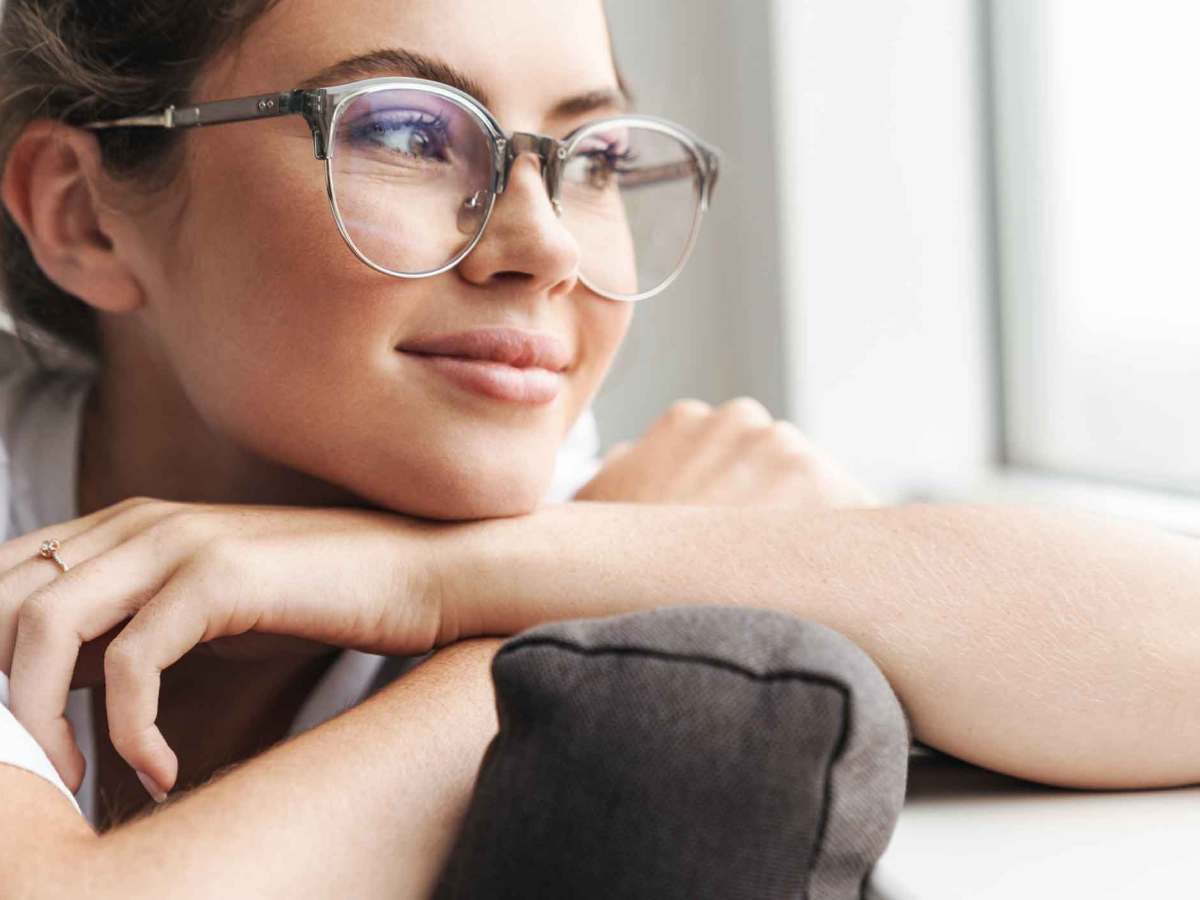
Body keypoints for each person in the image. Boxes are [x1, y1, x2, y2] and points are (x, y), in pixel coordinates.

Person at [0, 0, 1196, 895]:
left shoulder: (590, 513)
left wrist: (450, 581)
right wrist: (549, 642)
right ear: (81, 213)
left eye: (598, 158)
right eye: (412, 133)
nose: (547, 244)